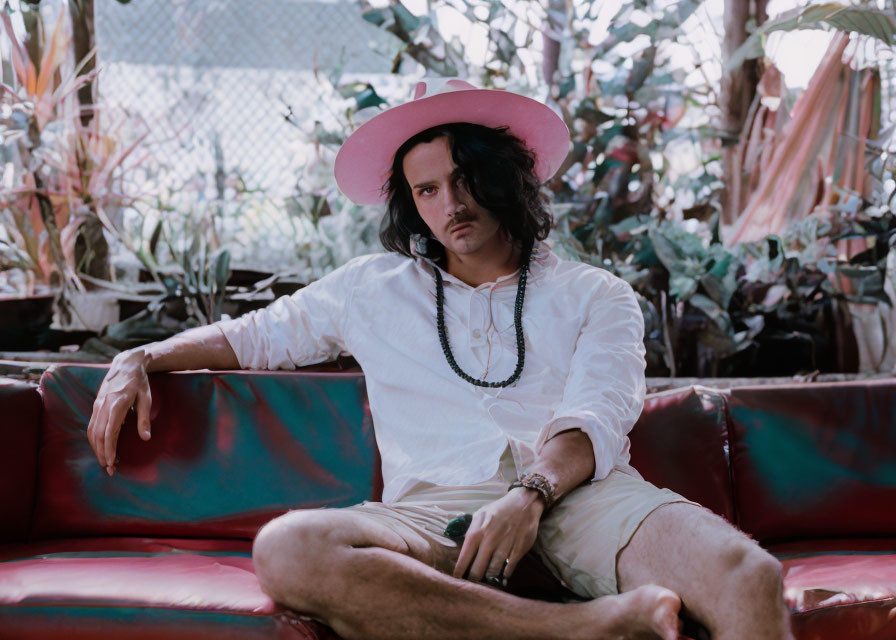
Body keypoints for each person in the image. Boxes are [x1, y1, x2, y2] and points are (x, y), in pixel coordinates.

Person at [87, 79, 793, 640]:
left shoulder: (594, 294)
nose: (450, 203)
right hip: (434, 512)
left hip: (580, 496)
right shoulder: (370, 289)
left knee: (747, 576)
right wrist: (140, 357)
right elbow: (254, 335)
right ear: (410, 204)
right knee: (289, 549)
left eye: (464, 178)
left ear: (504, 178)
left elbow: (599, 408)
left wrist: (531, 494)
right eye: (427, 190)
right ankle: (582, 630)